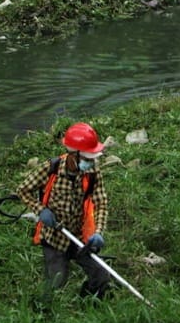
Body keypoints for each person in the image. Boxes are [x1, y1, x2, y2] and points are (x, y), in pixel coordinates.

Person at [15, 122, 112, 310]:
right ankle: (42, 315)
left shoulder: (92, 172)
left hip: (79, 238)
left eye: (92, 158)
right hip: (55, 237)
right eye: (86, 158)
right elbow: (23, 190)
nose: (90, 162)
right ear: (73, 155)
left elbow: (100, 204)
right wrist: (40, 210)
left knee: (101, 276)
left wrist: (98, 232)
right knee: (56, 280)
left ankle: (89, 306)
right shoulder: (51, 168)